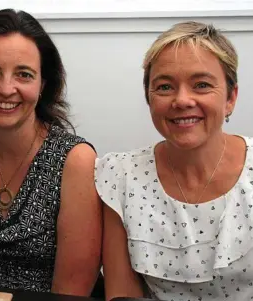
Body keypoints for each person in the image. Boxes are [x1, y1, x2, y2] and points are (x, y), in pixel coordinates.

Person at [0, 8, 101, 296]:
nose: (6, 88)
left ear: (42, 85)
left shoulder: (75, 159)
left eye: (23, 74)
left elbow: (72, 289)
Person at [96, 21, 253, 301]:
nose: (182, 100)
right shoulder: (120, 176)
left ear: (230, 98)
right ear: (149, 98)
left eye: (201, 85)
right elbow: (122, 295)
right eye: (165, 87)